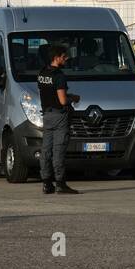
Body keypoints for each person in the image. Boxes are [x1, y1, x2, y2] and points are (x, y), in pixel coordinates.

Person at [36, 43, 80, 195]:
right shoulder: (59, 76)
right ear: (56, 58)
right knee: (58, 150)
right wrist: (73, 97)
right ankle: (60, 183)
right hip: (59, 116)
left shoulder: (42, 73)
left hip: (47, 115)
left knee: (46, 150)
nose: (66, 59)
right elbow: (62, 100)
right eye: (64, 56)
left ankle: (46, 183)